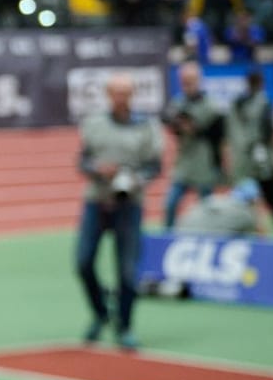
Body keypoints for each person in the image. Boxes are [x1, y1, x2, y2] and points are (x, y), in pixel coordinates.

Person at [76, 73, 163, 349]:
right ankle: (101, 312)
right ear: (108, 94)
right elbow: (82, 160)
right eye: (116, 92)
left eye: (126, 92)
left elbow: (156, 166)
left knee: (127, 270)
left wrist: (136, 177)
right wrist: (97, 170)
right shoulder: (94, 125)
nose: (121, 97)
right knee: (83, 262)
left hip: (130, 204)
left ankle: (124, 325)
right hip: (97, 200)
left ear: (133, 94)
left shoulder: (146, 126)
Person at [161, 61, 226, 228]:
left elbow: (194, 125)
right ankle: (168, 238)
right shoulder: (179, 101)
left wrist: (181, 122)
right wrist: (181, 123)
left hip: (205, 163)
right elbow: (169, 119)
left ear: (198, 80)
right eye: (184, 81)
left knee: (207, 209)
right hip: (184, 162)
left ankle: (208, 237)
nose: (187, 85)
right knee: (170, 204)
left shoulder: (210, 103)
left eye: (190, 80)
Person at [228, 69, 273, 236]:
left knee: (256, 199)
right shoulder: (261, 102)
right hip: (260, 159)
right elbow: (270, 130)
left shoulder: (240, 103)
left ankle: (268, 232)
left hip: (248, 159)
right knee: (268, 198)